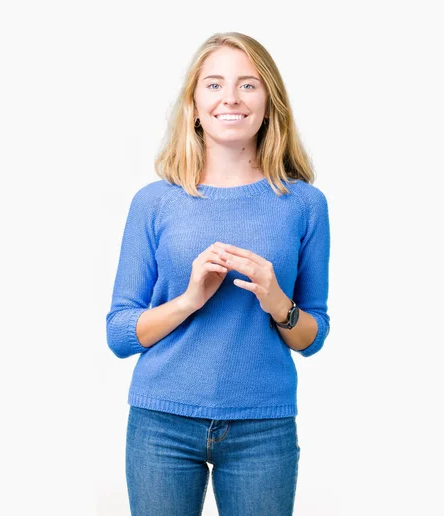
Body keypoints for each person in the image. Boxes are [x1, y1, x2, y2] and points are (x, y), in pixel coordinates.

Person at [106, 31, 330, 516]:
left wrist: (277, 303)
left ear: (270, 104)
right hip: (161, 424)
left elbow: (313, 336)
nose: (230, 97)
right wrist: (188, 300)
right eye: (214, 85)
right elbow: (119, 334)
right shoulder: (155, 202)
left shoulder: (305, 205)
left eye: (248, 85)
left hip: (262, 428)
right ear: (193, 104)